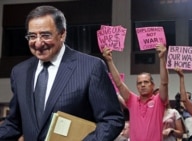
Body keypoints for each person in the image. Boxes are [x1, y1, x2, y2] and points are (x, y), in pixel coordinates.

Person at [0, 5, 124, 141]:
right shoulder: (20, 72)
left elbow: (112, 120)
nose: (38, 43)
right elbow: (14, 124)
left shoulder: (91, 67)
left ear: (62, 34)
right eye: (32, 36)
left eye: (45, 35)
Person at [102, 43, 169, 141]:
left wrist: (162, 58)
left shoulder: (159, 100)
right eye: (139, 83)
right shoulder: (132, 100)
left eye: (146, 82)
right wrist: (109, 61)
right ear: (137, 86)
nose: (142, 85)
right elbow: (119, 83)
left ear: (153, 85)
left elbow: (164, 83)